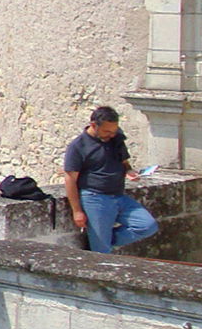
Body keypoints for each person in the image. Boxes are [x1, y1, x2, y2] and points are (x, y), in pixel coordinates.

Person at [62, 106, 159, 253]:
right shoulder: (78, 146)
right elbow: (70, 179)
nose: (111, 135)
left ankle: (101, 241)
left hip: (118, 195)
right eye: (107, 131)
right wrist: (77, 211)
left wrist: (129, 171)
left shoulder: (116, 137)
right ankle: (100, 244)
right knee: (102, 252)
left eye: (114, 131)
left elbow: (124, 162)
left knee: (147, 225)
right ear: (94, 125)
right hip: (95, 199)